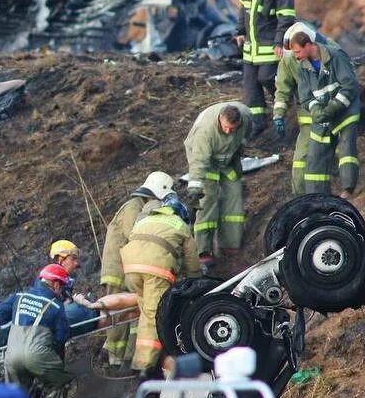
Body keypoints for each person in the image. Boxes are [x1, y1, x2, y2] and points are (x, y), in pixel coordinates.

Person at [273, 22, 361, 197]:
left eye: (297, 51)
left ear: (308, 44)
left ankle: (346, 188)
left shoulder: (332, 52)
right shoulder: (297, 63)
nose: (296, 56)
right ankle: (309, 198)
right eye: (293, 52)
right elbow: (292, 91)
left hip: (340, 110)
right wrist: (279, 114)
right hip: (315, 116)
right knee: (310, 158)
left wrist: (333, 106)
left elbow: (349, 83)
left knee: (344, 148)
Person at [119, 193, 200, 372]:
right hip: (155, 269)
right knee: (154, 316)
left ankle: (146, 356)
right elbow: (191, 258)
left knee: (146, 312)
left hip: (130, 268)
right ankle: (144, 367)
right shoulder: (180, 224)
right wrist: (196, 280)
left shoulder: (146, 220)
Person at [98, 171, 172, 366]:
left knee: (130, 312)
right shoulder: (133, 208)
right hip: (118, 270)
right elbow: (136, 236)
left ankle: (124, 354)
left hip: (130, 266)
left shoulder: (139, 207)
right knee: (117, 314)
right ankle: (112, 358)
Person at [184, 102, 252, 271]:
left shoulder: (246, 117)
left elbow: (243, 138)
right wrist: (194, 190)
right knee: (208, 202)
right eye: (226, 128)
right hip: (206, 162)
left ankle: (230, 244)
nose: (229, 132)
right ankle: (203, 251)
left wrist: (237, 155)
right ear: (220, 119)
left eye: (233, 129)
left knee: (234, 196)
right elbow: (199, 162)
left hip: (227, 161)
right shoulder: (205, 133)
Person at [235, 0, 297, 135]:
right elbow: (243, 9)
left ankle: (288, 103)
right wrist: (240, 31)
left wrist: (279, 42)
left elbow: (286, 18)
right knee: (251, 86)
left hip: (269, 45)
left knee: (267, 77)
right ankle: (257, 123)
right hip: (250, 46)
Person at [5, 264, 75, 398]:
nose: (62, 291)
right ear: (55, 285)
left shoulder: (19, 297)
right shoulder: (56, 306)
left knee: (17, 396)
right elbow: (61, 337)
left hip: (11, 356)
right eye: (61, 287)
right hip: (36, 355)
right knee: (59, 382)